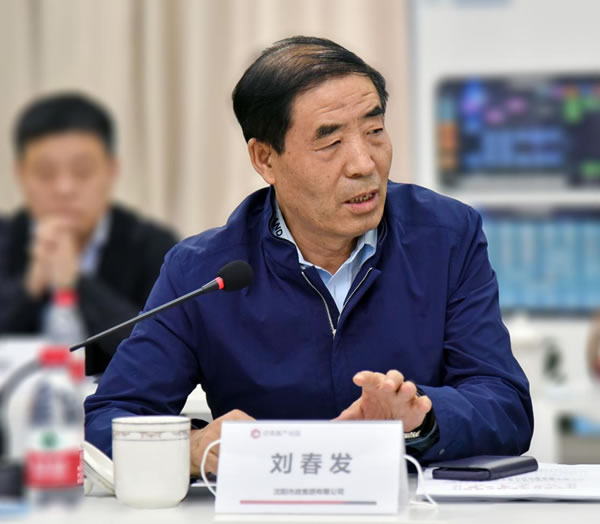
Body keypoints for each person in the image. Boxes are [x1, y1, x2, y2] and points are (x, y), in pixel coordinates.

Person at [85, 36, 534, 474]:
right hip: (263, 504)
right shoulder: (204, 270)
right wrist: (192, 447)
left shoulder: (446, 236)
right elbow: (109, 418)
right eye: (330, 142)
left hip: (409, 505)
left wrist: (424, 416)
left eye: (375, 131)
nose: (364, 163)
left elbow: (506, 404)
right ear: (265, 159)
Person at [0, 93, 178, 375]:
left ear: (111, 170)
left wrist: (77, 282)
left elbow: (162, 347)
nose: (64, 188)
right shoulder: (6, 239)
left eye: (82, 172)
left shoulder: (153, 247)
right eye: (46, 174)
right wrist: (30, 287)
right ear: (21, 175)